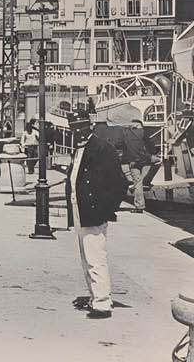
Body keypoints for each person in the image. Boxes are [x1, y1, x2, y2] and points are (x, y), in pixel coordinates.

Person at [68, 111, 128, 319]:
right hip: (80, 209)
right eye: (74, 128)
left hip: (93, 211)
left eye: (82, 127)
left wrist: (106, 209)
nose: (78, 132)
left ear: (91, 125)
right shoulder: (79, 149)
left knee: (95, 257)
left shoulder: (103, 149)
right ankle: (95, 296)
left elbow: (120, 183)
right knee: (86, 258)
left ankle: (102, 303)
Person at [118, 119, 151, 214]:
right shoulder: (144, 133)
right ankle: (135, 189)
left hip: (134, 162)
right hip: (147, 161)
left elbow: (119, 144)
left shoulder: (127, 134)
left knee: (138, 183)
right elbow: (151, 146)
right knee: (141, 181)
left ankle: (139, 206)